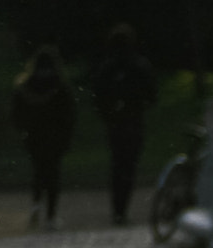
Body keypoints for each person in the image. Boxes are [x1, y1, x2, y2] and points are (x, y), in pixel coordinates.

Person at [89, 24, 158, 227]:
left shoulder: (108, 67)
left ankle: (118, 208)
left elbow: (98, 96)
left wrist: (109, 112)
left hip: (116, 123)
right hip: (133, 121)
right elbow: (152, 95)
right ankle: (122, 208)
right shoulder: (138, 66)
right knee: (128, 165)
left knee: (117, 165)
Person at [11, 45, 75, 229]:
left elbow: (17, 113)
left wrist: (23, 129)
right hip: (55, 136)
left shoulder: (26, 85)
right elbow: (68, 114)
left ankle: (36, 204)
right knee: (53, 173)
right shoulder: (60, 86)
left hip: (34, 136)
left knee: (38, 171)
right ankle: (51, 214)